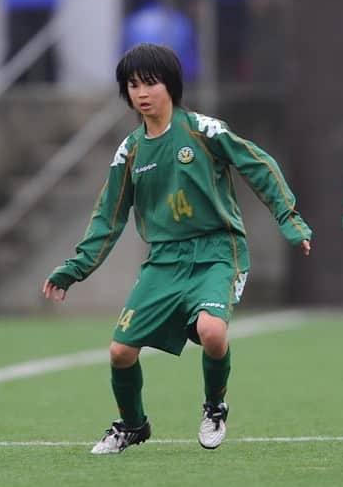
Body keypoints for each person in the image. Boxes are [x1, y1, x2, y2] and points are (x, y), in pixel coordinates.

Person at [43, 43, 312, 454]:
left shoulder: (204, 131)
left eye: (150, 82)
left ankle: (214, 407)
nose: (141, 92)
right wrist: (75, 268)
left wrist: (289, 219)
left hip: (218, 252)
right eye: (132, 85)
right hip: (164, 261)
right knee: (120, 352)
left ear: (171, 85)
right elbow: (108, 218)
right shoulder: (130, 151)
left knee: (212, 331)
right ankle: (132, 426)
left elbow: (258, 164)